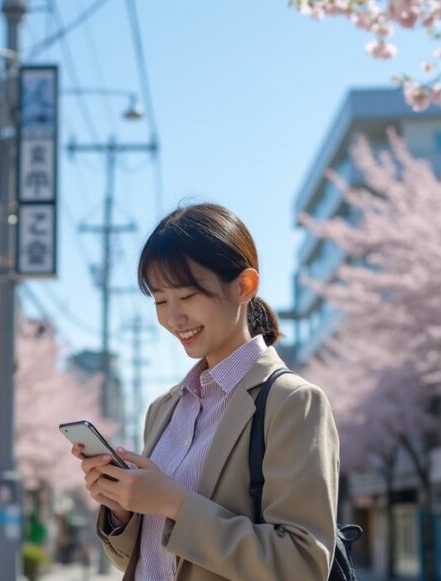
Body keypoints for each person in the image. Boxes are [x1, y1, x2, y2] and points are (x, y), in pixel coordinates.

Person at [71, 203, 340, 580]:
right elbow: (151, 560)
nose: (173, 318)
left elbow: (302, 566)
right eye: (161, 301)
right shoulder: (163, 409)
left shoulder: (291, 403)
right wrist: (124, 510)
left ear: (244, 286)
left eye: (188, 296)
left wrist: (174, 502)